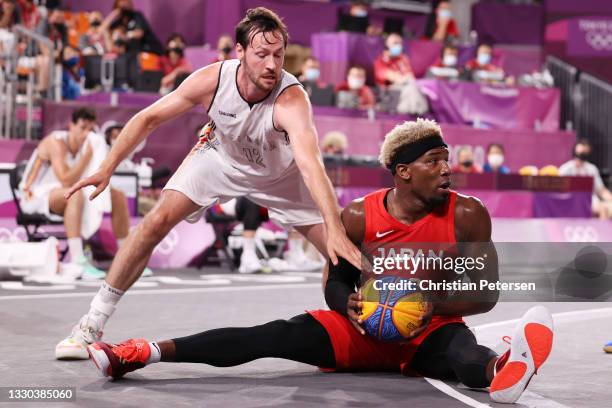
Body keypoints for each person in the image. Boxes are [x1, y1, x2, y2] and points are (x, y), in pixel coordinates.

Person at [86, 119, 554, 405]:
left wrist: (430, 302)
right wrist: (348, 303)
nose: (447, 169)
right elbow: (336, 281)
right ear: (404, 172)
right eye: (435, 161)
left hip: (428, 329)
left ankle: (502, 372)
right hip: (363, 327)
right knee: (270, 335)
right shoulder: (358, 217)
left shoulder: (468, 214)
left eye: (447, 160)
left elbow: (486, 292)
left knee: (462, 354)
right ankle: (141, 352)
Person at [55, 7, 361, 360]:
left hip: (282, 176)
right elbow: (148, 117)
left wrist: (335, 227)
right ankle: (90, 324)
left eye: (278, 55)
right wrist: (108, 166)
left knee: (342, 253)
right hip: (219, 158)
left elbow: (311, 164)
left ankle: (345, 331)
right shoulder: (213, 81)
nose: (271, 65)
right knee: (154, 222)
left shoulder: (291, 99)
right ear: (240, 52)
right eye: (261, 54)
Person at [19, 108, 130, 281]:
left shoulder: (88, 145)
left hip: (63, 193)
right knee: (75, 195)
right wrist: (87, 156)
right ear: (71, 125)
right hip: (34, 196)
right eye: (82, 127)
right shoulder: (55, 142)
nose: (86, 134)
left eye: (90, 129)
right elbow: (65, 180)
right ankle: (79, 261)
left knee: (116, 195)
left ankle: (126, 259)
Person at [559, 139, 612, 219]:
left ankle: (601, 230)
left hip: (590, 201)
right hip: (570, 201)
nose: (581, 155)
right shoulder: (565, 169)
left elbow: (601, 190)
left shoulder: (592, 169)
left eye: (584, 153)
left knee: (603, 209)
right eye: (580, 153)